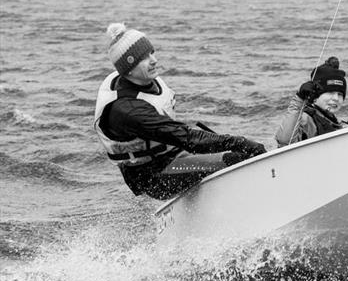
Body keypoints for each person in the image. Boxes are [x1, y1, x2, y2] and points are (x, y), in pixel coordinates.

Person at [94, 22, 266, 200]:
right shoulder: (128, 110)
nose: (153, 60)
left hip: (173, 156)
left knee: (234, 152)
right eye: (143, 58)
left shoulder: (141, 78)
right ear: (128, 69)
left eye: (151, 52)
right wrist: (239, 142)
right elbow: (187, 138)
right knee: (235, 158)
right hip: (154, 177)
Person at [274, 56, 348, 147]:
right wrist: (299, 99)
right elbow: (284, 142)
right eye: (330, 93)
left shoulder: (338, 124)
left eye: (340, 94)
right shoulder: (305, 119)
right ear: (316, 96)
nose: (336, 98)